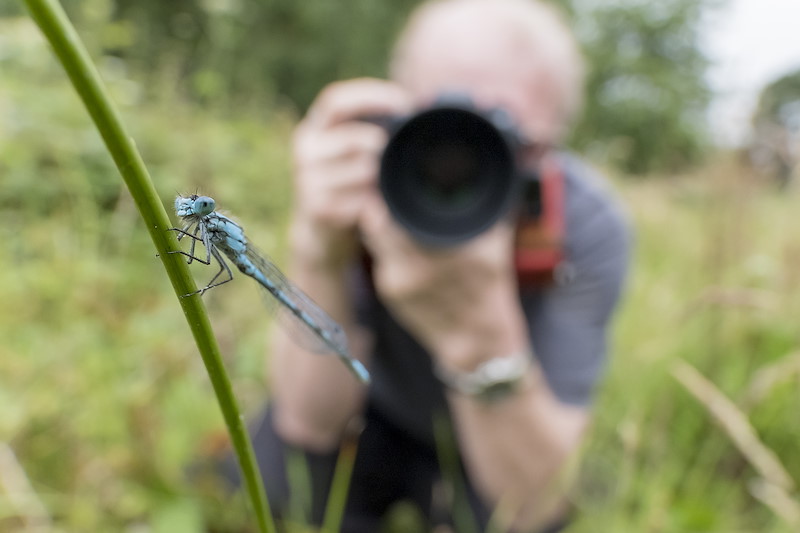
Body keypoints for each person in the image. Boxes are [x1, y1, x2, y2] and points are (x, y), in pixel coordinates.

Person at [244, 0, 631, 531]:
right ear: (394, 114)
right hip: (370, 411)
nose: (463, 162)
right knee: (274, 479)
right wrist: (320, 254)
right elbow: (307, 423)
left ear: (549, 146)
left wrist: (479, 336)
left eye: (506, 140)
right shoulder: (362, 180)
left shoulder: (583, 222)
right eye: (441, 128)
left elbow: (535, 505)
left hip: (502, 434)